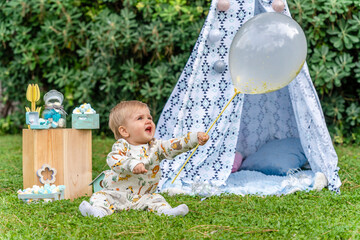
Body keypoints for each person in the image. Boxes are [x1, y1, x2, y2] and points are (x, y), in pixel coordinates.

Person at [79, 100, 209, 218]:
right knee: (100, 196)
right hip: (116, 194)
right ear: (124, 131)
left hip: (143, 196)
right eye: (140, 118)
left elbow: (174, 145)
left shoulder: (156, 146)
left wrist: (193, 139)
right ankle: (98, 212)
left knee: (157, 199)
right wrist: (132, 164)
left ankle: (167, 212)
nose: (148, 121)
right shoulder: (122, 146)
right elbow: (114, 159)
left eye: (149, 117)